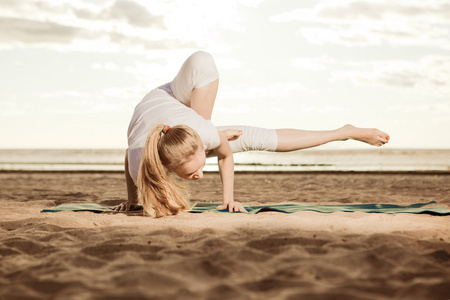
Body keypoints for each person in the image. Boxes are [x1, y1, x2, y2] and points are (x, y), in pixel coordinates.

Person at [114, 51, 390, 217]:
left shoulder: (205, 134)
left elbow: (223, 156)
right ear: (165, 164)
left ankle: (344, 132)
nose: (199, 176)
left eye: (197, 168)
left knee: (203, 61)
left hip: (174, 94)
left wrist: (228, 199)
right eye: (192, 174)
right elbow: (130, 155)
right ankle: (340, 133)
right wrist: (132, 200)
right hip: (175, 116)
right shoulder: (145, 158)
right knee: (255, 138)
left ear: (201, 146)